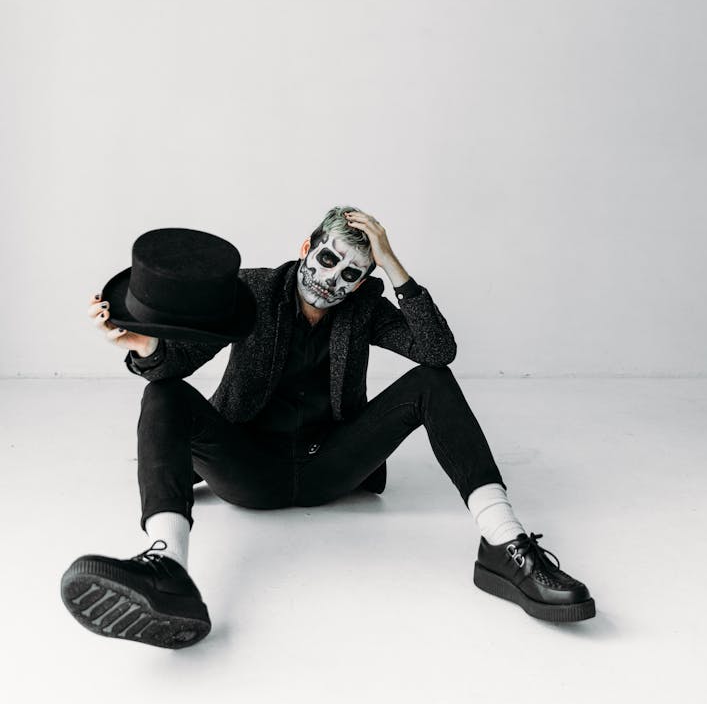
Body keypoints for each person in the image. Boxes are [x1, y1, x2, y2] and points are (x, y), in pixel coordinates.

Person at [60, 205, 595, 649]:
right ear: (305, 249)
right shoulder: (252, 293)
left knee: (432, 381)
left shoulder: (364, 307)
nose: (332, 278)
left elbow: (437, 351)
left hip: (332, 467)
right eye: (327, 259)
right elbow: (178, 363)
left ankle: (504, 546)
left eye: (351, 272)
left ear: (364, 279)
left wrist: (393, 265)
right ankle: (167, 565)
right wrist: (146, 348)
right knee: (162, 393)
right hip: (249, 469)